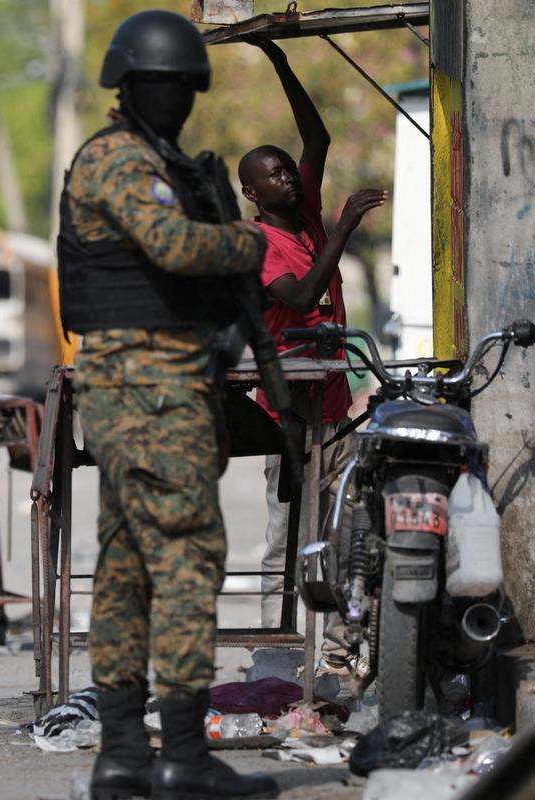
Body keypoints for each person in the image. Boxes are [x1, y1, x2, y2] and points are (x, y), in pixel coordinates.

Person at [58, 10, 278, 799]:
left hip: (151, 384)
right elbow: (175, 246)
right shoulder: (120, 159)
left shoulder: (162, 159)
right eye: (165, 85)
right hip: (149, 387)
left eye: (184, 86)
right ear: (131, 87)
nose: (176, 98)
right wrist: (249, 243)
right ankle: (184, 756)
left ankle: (123, 754)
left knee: (126, 570)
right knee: (188, 558)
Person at [237, 39, 385, 664]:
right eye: (273, 176)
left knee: (344, 530)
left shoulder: (307, 219)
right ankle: (275, 653)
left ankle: (337, 651)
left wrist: (280, 62)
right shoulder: (259, 242)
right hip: (288, 416)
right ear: (252, 193)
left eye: (287, 170)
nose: (288, 179)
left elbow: (317, 138)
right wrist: (345, 227)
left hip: (334, 408)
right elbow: (299, 296)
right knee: (289, 536)